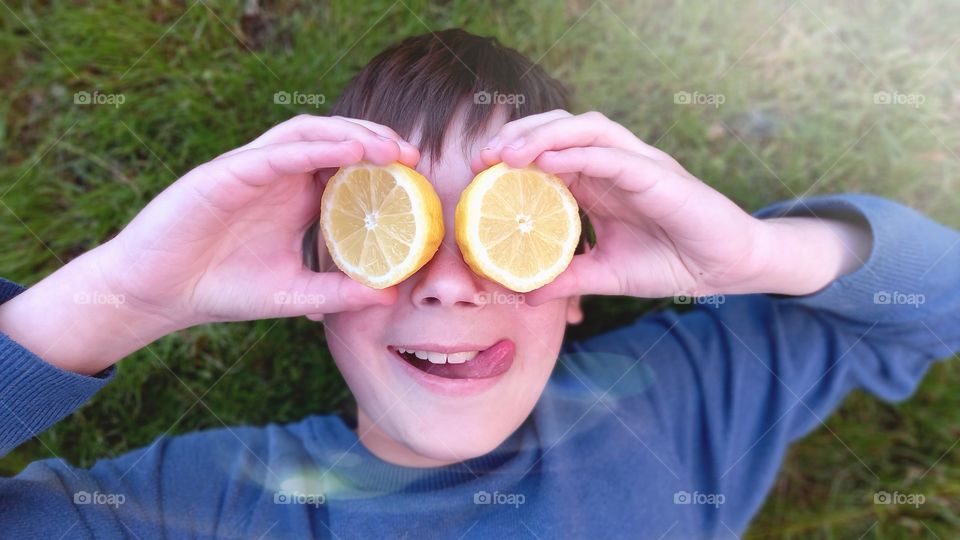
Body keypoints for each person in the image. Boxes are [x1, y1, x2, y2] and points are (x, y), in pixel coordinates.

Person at [1, 28, 957, 539]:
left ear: (576, 276)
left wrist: (754, 257)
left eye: (506, 236)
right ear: (316, 278)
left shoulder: (683, 399)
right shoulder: (202, 505)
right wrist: (121, 298)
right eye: (392, 232)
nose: (452, 286)